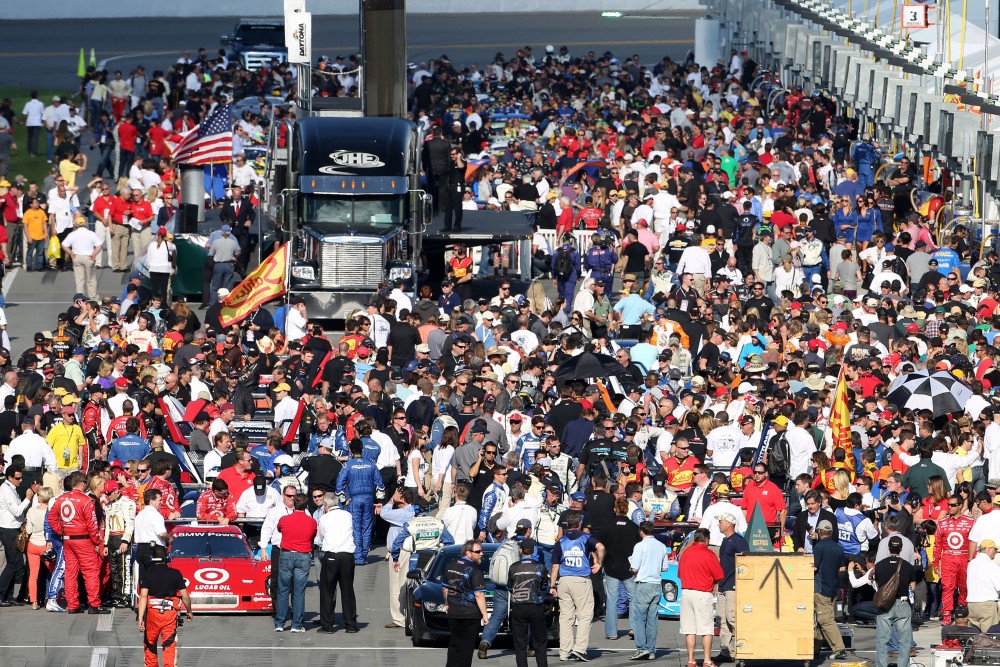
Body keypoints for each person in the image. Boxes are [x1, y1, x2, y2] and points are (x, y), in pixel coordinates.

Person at [47, 470, 109, 613]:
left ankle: (73, 604)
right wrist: (96, 542)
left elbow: (51, 518)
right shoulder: (86, 500)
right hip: (83, 540)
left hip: (68, 540)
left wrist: (62, 531)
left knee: (70, 572)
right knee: (91, 572)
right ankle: (94, 604)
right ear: (81, 483)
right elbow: (92, 524)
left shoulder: (61, 499)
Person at [550, 510, 605, 662]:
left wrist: (552, 586)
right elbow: (600, 547)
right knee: (585, 615)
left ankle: (564, 651)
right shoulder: (586, 538)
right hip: (581, 579)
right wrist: (598, 563)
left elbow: (555, 566)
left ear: (567, 525)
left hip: (565, 580)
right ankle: (580, 648)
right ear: (580, 524)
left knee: (566, 617)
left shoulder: (560, 542)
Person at [137, 544, 193, 667]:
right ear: (166, 557)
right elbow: (185, 596)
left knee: (150, 645)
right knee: (169, 645)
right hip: (169, 614)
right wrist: (189, 611)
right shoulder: (176, 573)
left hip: (152, 615)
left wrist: (140, 618)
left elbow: (143, 597)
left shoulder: (147, 574)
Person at [336, 437, 386, 565]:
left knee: (356, 527)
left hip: (354, 499)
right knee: (367, 527)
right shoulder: (371, 464)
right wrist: (380, 500)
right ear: (362, 450)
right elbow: (380, 484)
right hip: (369, 498)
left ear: (350, 451)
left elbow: (339, 485)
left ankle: (358, 556)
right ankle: (363, 554)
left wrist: (342, 500)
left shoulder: (347, 465)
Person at [677, 528, 722, 667]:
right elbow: (719, 575)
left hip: (686, 593)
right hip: (702, 593)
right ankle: (707, 660)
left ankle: (691, 660)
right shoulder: (709, 554)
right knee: (706, 628)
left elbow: (680, 574)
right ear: (707, 540)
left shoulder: (686, 553)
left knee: (689, 629)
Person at [274, 492, 317, 632]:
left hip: (287, 554)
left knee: (283, 590)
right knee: (299, 592)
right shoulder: (311, 521)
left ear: (295, 504)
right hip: (303, 555)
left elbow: (280, 528)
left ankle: (280, 623)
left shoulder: (285, 519)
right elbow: (313, 534)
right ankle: (296, 624)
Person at [316, 491, 358, 634]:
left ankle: (327, 625)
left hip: (332, 555)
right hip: (347, 555)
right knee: (347, 590)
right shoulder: (348, 515)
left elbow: (320, 535)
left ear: (326, 505)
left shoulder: (325, 518)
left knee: (328, 591)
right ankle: (351, 625)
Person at [628, 520, 670, 660]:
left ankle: (642, 648)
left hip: (643, 583)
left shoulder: (640, 546)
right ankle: (651, 649)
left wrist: (631, 566)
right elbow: (664, 568)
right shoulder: (661, 546)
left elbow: (634, 568)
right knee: (652, 619)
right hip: (656, 584)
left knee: (639, 618)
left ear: (641, 531)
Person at [443, 539, 490, 667]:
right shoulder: (475, 570)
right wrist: (485, 615)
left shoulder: (451, 565)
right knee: (466, 649)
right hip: (470, 615)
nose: (481, 554)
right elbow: (479, 594)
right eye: (478, 551)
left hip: (454, 613)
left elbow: (445, 587)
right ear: (468, 552)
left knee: (454, 645)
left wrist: (447, 604)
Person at [508, 537, 550, 667]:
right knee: (540, 643)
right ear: (533, 550)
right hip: (536, 606)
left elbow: (509, 587)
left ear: (521, 551)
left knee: (520, 644)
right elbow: (544, 587)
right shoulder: (540, 566)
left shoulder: (513, 567)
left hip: (518, 607)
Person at [874, 536, 915, 667]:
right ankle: (903, 665)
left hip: (885, 604)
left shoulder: (879, 566)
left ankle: (882, 664)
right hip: (902, 603)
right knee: (904, 640)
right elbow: (912, 587)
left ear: (889, 548)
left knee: (882, 639)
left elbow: (878, 584)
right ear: (901, 548)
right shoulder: (908, 566)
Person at [934, 493, 975, 624]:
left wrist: (973, 560)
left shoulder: (971, 522)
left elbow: (975, 543)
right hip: (948, 557)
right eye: (949, 505)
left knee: (964, 587)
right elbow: (937, 544)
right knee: (947, 587)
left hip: (964, 557)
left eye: (953, 505)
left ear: (961, 505)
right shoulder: (942, 523)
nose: (950, 507)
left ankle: (962, 613)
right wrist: (936, 562)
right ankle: (947, 615)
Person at [715, 512, 749, 663]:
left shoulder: (739, 541)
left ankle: (744, 648)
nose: (718, 524)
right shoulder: (726, 540)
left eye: (720, 521)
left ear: (729, 524)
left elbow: (746, 563)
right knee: (721, 619)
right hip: (723, 584)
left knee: (732, 618)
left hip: (733, 585)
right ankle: (726, 650)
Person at [0, 464, 36, 605]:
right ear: (10, 477)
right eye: (17, 478)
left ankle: (8, 595)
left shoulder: (11, 488)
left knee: (15, 562)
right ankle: (2, 593)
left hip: (13, 528)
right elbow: (16, 511)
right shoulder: (6, 490)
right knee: (14, 562)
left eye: (21, 477)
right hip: (8, 530)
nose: (20, 481)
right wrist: (28, 498)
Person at [813, 519, 848, 660]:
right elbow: (842, 568)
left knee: (825, 619)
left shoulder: (819, 547)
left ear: (819, 532)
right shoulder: (838, 548)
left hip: (821, 588)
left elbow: (814, 567)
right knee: (822, 619)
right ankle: (814, 649)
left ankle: (839, 649)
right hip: (833, 587)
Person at [966, 539, 1000, 632]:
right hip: (987, 605)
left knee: (975, 636)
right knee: (989, 638)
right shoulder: (991, 565)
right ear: (989, 549)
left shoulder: (971, 564)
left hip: (972, 604)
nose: (995, 553)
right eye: (995, 550)